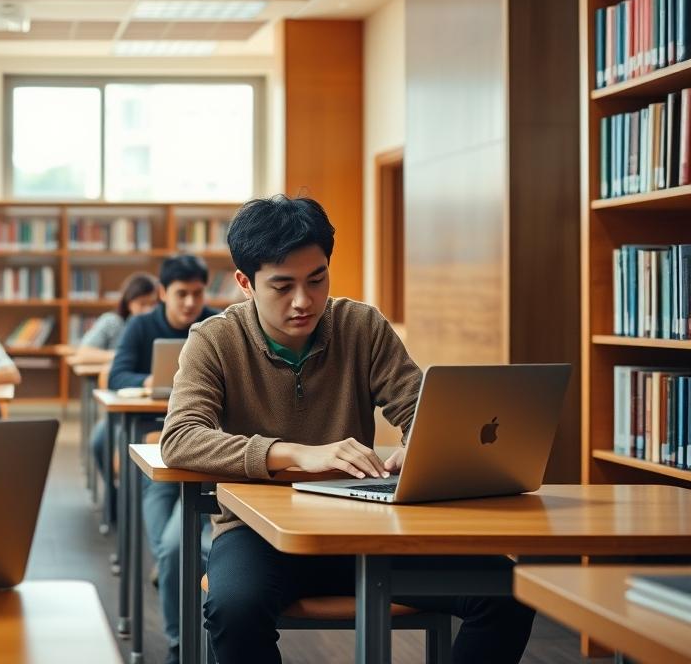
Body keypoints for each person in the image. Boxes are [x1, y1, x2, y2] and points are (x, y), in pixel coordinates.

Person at [160, 195, 536, 663]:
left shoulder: (361, 326)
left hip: (364, 528)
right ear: (245, 283)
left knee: (509, 591)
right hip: (259, 534)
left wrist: (418, 446)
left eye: (317, 280)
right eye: (283, 286)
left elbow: (420, 409)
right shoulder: (214, 340)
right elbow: (179, 439)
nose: (304, 301)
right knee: (233, 608)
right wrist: (294, 453)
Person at [98, 254, 220, 664]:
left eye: (197, 294)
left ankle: (181, 645)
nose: (190, 303)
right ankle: (181, 634)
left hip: (205, 458)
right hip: (155, 451)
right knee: (167, 547)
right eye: (181, 294)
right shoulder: (141, 325)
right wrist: (151, 381)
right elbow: (117, 377)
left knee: (173, 549)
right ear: (163, 292)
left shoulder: (218, 325)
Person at [75, 271, 160, 358]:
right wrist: (123, 356)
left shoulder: (159, 325)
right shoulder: (112, 321)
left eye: (153, 304)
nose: (148, 310)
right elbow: (84, 352)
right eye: (142, 304)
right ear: (128, 302)